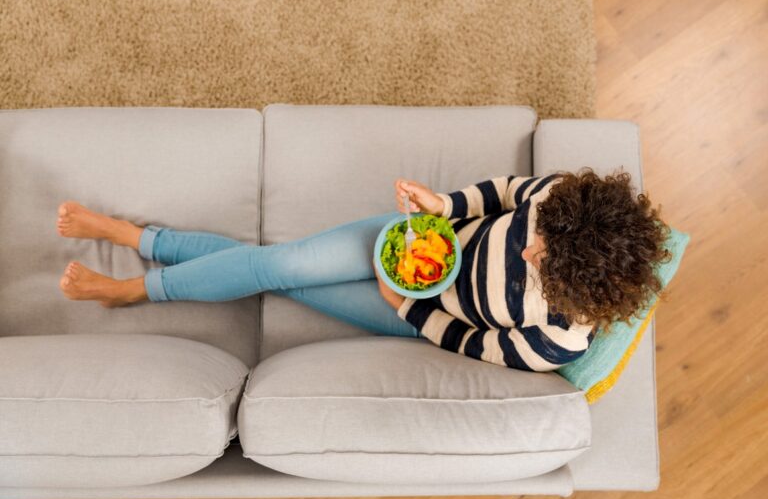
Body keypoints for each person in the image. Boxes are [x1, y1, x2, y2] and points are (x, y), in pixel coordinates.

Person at [57, 167, 671, 372]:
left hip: (415, 311)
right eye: (538, 239)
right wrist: (447, 206)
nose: (527, 251)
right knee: (279, 262)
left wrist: (405, 305)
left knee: (281, 275)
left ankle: (135, 262)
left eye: (542, 265)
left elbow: (472, 343)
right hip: (414, 243)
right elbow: (508, 192)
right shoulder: (560, 197)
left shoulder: (559, 339)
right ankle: (135, 268)